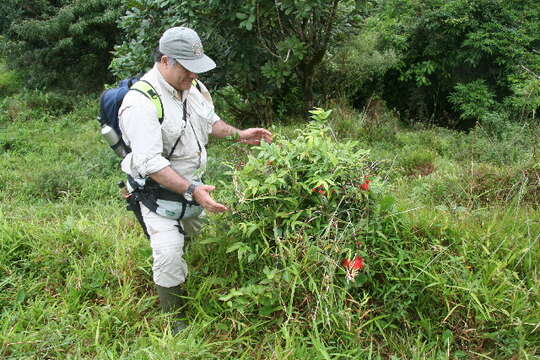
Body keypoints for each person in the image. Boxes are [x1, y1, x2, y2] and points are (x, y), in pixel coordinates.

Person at [118, 26, 272, 332]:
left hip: (194, 188)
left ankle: (191, 267)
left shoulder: (195, 88)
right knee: (169, 252)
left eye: (196, 70)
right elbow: (149, 163)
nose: (194, 76)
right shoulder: (140, 104)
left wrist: (240, 135)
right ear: (165, 61)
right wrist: (191, 189)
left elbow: (211, 122)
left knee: (194, 237)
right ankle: (175, 320)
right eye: (188, 69)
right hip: (156, 194)